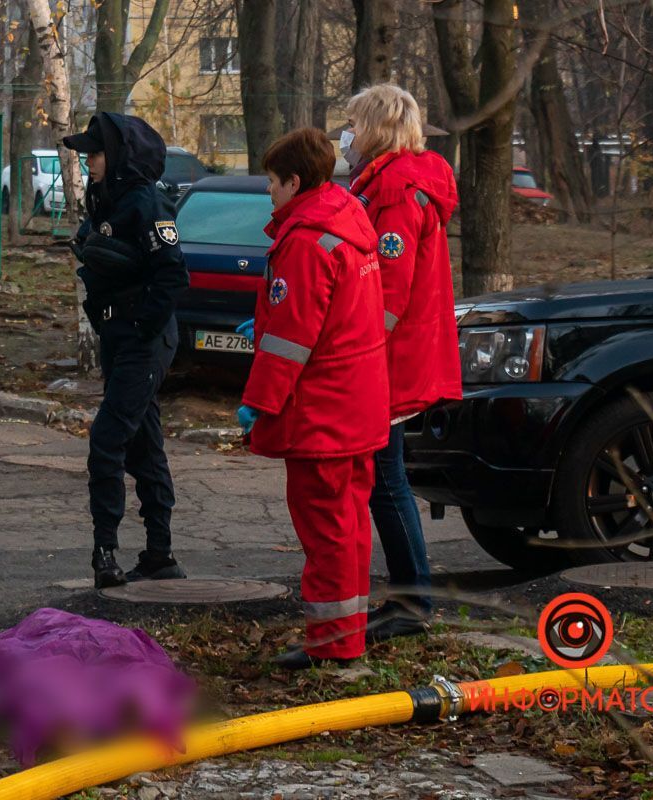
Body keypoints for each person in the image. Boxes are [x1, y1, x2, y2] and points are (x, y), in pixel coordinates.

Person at [237, 127, 390, 669]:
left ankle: (335, 650)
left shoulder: (306, 240)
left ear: (295, 181)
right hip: (357, 407)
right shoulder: (349, 225)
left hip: (322, 413)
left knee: (325, 533)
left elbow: (292, 340)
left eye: (273, 183)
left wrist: (259, 401)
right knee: (348, 531)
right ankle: (344, 641)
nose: (269, 193)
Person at [343, 84, 462, 641]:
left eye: (352, 123)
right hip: (399, 353)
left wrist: (356, 354)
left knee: (385, 479)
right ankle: (410, 594)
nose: (345, 134)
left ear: (375, 127)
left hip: (389, 358)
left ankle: (413, 599)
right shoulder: (400, 182)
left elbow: (388, 291)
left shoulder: (395, 190)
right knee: (385, 476)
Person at [62, 113, 190, 588]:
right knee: (143, 443)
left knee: (107, 439)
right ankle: (160, 553)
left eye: (93, 154)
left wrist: (140, 326)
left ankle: (105, 555)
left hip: (145, 340)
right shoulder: (103, 200)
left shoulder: (145, 202)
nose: (88, 162)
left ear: (115, 157)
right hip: (119, 339)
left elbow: (173, 274)